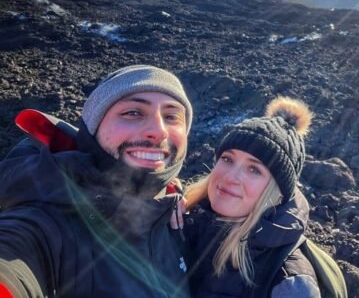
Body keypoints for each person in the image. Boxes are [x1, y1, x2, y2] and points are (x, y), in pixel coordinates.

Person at [0, 65, 193, 298]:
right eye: (133, 112)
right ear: (93, 127)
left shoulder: (179, 219)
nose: (158, 131)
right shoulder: (46, 220)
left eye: (172, 116)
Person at [178, 96, 321, 297]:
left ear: (276, 191)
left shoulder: (290, 284)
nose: (230, 177)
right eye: (227, 159)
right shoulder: (183, 219)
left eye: (254, 170)